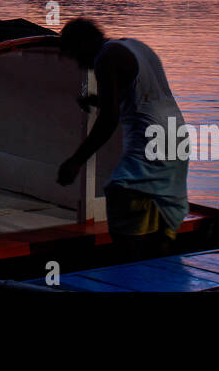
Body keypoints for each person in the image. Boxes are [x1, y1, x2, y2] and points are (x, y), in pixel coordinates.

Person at [56, 18, 188, 259]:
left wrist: (76, 160)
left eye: (75, 55)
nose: (78, 64)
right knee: (158, 221)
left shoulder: (106, 58)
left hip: (149, 143)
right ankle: (160, 274)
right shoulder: (135, 46)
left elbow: (109, 120)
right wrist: (97, 100)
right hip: (177, 138)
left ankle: (127, 274)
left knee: (121, 200)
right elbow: (142, 97)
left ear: (84, 43)